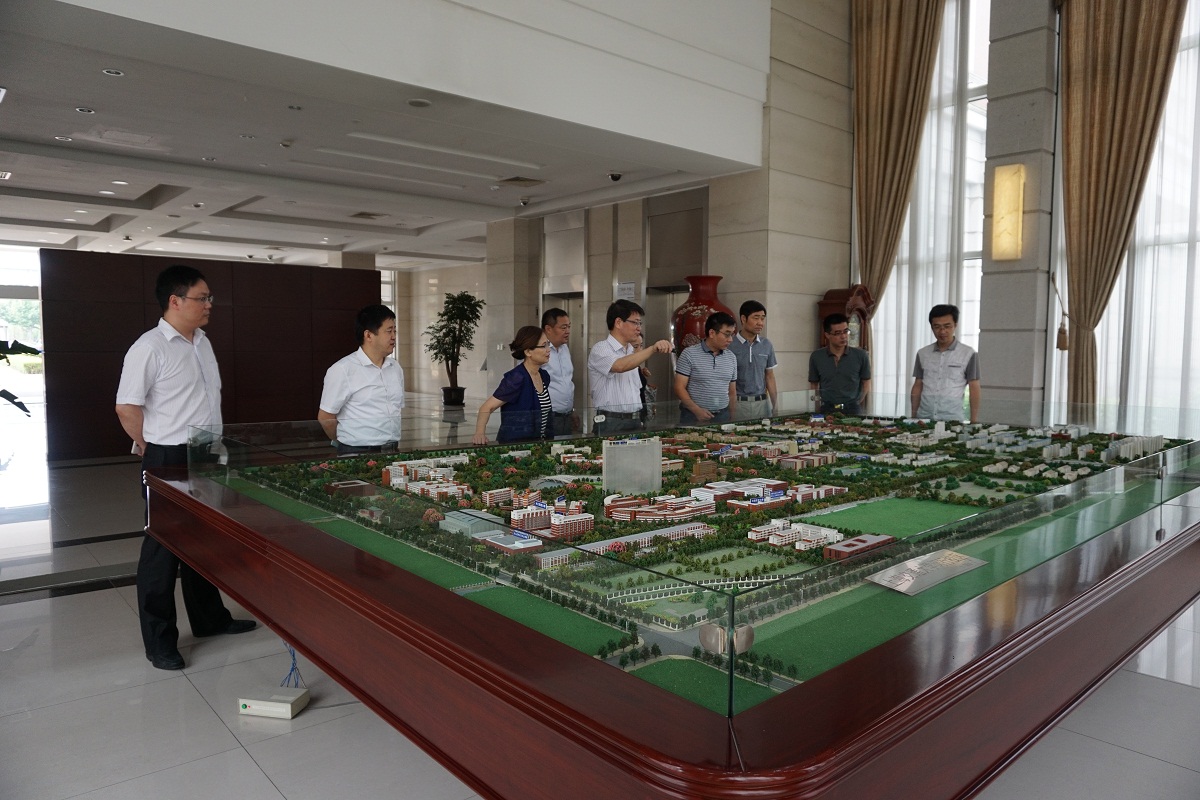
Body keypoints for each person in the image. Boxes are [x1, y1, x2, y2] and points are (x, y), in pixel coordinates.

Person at [115, 265, 256, 671]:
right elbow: (126, 407)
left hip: (206, 452)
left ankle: (210, 619)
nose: (209, 304)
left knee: (204, 542)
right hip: (168, 455)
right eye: (202, 298)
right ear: (175, 301)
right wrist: (150, 445)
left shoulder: (203, 343)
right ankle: (160, 640)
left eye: (209, 298)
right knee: (163, 550)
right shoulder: (150, 347)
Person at [318, 305, 405, 455]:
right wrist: (343, 441)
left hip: (392, 451)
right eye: (389, 331)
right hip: (356, 452)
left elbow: (397, 408)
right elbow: (325, 417)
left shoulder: (395, 367)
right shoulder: (343, 369)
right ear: (368, 335)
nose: (393, 337)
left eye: (395, 331)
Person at [587, 300, 671, 437]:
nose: (639, 328)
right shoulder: (600, 349)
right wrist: (652, 348)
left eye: (640, 323)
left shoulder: (631, 351)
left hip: (635, 420)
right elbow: (620, 366)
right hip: (610, 421)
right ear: (618, 323)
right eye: (635, 323)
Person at [473, 326, 554, 444]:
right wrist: (480, 433)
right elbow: (486, 407)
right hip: (516, 445)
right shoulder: (517, 378)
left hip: (539, 444)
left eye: (548, 344)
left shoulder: (544, 376)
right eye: (543, 346)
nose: (548, 350)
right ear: (528, 352)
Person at [911, 303, 981, 422]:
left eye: (947, 326)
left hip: (952, 419)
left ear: (955, 325)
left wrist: (973, 420)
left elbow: (974, 387)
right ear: (932, 327)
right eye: (937, 327)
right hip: (924, 417)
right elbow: (918, 385)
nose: (942, 331)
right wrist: (913, 415)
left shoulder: (968, 353)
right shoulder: (922, 353)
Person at [674, 312, 739, 426]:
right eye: (727, 334)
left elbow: (732, 391)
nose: (730, 340)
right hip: (692, 415)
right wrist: (696, 410)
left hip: (722, 415)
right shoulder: (689, 354)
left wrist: (733, 417)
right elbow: (679, 387)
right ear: (712, 333)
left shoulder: (731, 357)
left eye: (732, 335)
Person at [809, 312, 871, 416]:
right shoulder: (817, 356)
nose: (843, 336)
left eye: (846, 331)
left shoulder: (861, 355)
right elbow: (814, 384)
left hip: (852, 408)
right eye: (838, 333)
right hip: (827, 408)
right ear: (827, 335)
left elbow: (866, 382)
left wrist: (857, 401)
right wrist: (816, 407)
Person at [728, 300, 779, 420]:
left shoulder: (766, 344)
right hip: (738, 403)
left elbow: (769, 376)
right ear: (743, 319)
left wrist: (775, 405)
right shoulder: (730, 344)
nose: (760, 323)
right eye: (756, 318)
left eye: (762, 318)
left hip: (762, 403)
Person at [542, 308, 575, 436]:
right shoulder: (538, 350)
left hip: (566, 416)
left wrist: (572, 410)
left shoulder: (564, 348)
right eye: (563, 327)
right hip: (548, 417)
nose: (568, 331)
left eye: (569, 327)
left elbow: (567, 381)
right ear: (548, 329)